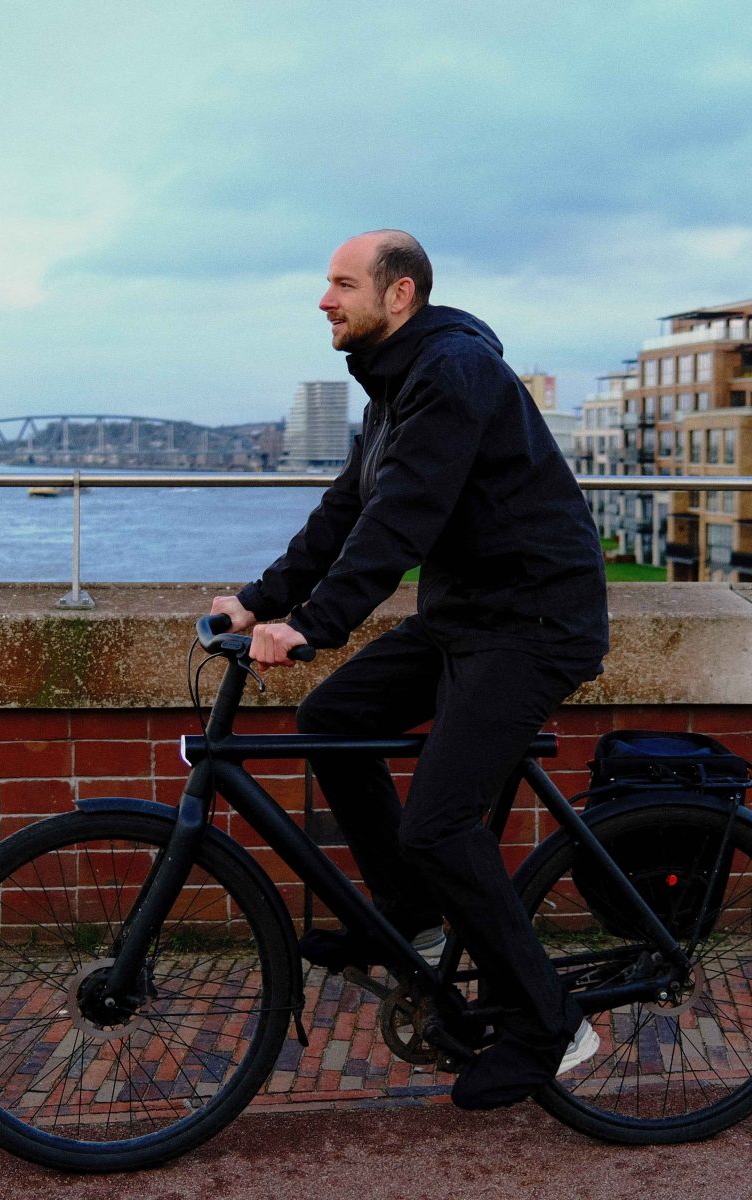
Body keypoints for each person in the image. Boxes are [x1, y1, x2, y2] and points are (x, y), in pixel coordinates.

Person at [209, 230, 609, 1111]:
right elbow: (346, 510)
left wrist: (312, 624)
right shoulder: (390, 389)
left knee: (439, 821)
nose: (324, 299)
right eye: (326, 283)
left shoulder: (453, 372)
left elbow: (403, 521)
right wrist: (255, 600)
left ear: (400, 296)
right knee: (330, 720)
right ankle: (415, 928)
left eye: (342, 284)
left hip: (534, 623)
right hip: (465, 619)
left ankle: (550, 1025)